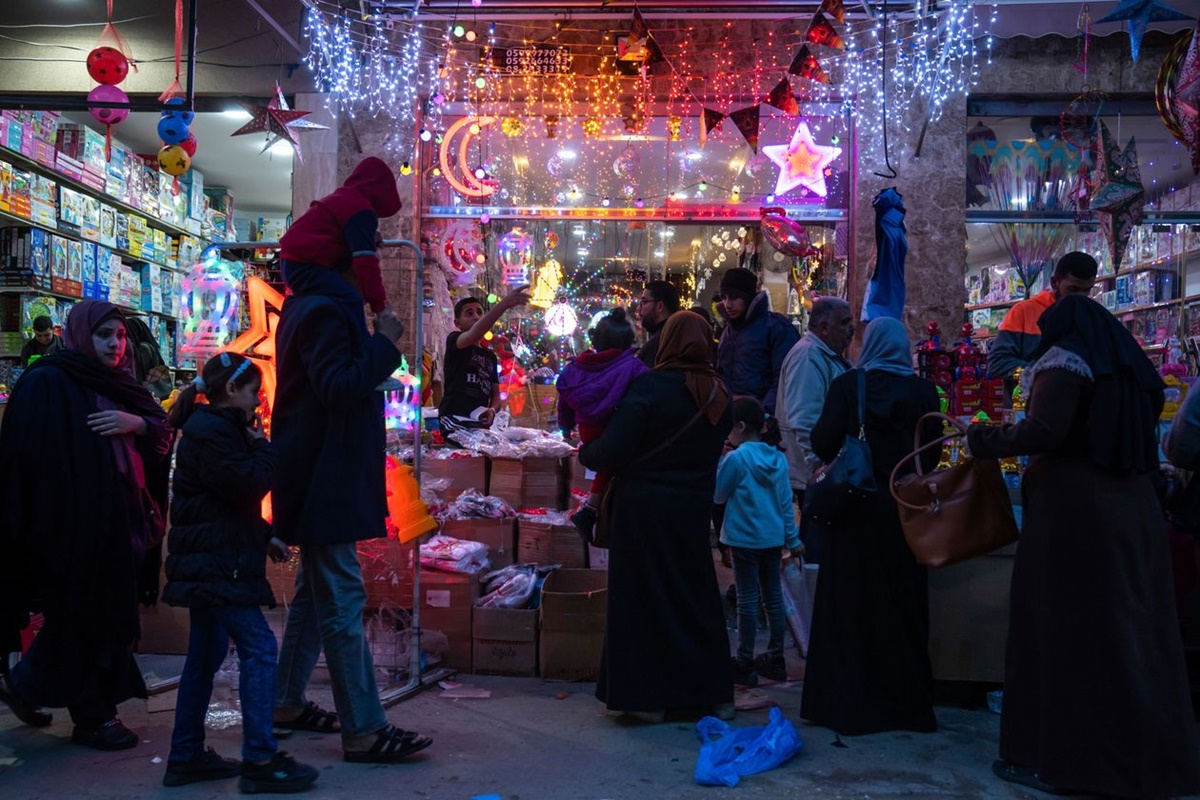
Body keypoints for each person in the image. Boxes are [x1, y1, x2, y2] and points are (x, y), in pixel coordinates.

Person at [967, 295, 1200, 798]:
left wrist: (982, 438)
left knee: (1067, 633)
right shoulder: (1128, 371)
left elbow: (1046, 430)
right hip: (1131, 512)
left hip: (1076, 519)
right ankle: (1145, 758)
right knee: (1129, 631)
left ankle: (1071, 761)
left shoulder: (1064, 366)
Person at [271, 157, 432, 764]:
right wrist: (385, 344)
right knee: (340, 603)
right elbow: (338, 386)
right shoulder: (323, 308)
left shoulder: (317, 305)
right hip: (323, 477)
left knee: (319, 597)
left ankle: (286, 701)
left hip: (320, 472)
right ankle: (363, 728)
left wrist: (374, 367)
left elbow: (332, 385)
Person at [0, 300, 171, 750]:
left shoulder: (121, 383)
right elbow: (25, 455)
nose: (115, 345)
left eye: (119, 336)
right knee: (86, 615)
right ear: (79, 334)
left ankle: (26, 685)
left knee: (101, 613)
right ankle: (93, 715)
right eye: (104, 336)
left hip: (120, 522)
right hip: (70, 524)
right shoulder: (49, 381)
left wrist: (137, 424)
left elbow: (161, 433)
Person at [161, 353, 319, 793]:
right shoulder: (215, 431)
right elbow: (246, 484)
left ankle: (186, 754)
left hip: (215, 556)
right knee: (259, 646)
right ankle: (260, 758)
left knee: (206, 654)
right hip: (220, 563)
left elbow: (223, 501)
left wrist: (262, 533)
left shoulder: (210, 428)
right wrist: (265, 448)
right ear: (232, 390)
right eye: (254, 393)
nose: (257, 403)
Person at [580, 311, 733, 723]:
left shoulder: (649, 388)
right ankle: (707, 692)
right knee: (694, 597)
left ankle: (645, 696)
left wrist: (587, 452)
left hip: (643, 510)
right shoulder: (719, 394)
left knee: (642, 601)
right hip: (692, 510)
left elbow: (613, 449)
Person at [801, 317, 941, 736]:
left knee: (850, 604)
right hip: (903, 510)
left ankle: (848, 705)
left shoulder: (850, 385)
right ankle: (904, 705)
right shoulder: (923, 391)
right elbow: (930, 454)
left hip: (855, 510)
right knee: (902, 604)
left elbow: (823, 442)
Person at [714, 396, 803, 688]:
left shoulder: (736, 459)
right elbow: (784, 502)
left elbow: (719, 496)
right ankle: (775, 658)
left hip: (743, 540)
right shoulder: (777, 458)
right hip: (772, 539)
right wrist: (792, 539)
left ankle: (744, 660)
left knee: (748, 602)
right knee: (773, 599)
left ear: (739, 426)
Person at [556, 308, 649, 538]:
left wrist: (566, 427)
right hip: (617, 427)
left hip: (588, 429)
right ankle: (591, 510)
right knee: (612, 469)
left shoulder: (575, 368)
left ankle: (590, 511)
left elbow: (564, 403)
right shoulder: (631, 367)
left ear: (595, 339)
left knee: (605, 470)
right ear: (628, 341)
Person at [775, 297, 853, 562]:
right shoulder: (808, 357)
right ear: (823, 327)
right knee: (816, 546)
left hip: (823, 468)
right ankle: (810, 598)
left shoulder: (825, 355)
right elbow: (804, 418)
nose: (851, 329)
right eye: (844, 323)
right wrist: (818, 466)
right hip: (815, 471)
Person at [986, 251, 1097, 383]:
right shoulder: (1023, 312)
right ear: (1054, 283)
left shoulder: (1091, 316)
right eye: (1072, 289)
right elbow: (997, 362)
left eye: (1086, 290)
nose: (1080, 297)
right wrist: (1047, 375)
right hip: (1030, 401)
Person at [438, 288, 529, 438]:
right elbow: (474, 334)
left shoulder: (490, 357)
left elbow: (496, 396)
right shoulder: (455, 340)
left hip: (480, 422)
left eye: (480, 312)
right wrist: (504, 304)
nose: (476, 316)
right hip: (454, 419)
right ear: (457, 323)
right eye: (469, 313)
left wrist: (492, 410)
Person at [715, 267, 798, 415]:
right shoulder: (728, 332)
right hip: (731, 419)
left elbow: (784, 377)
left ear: (747, 297)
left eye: (734, 297)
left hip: (764, 420)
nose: (728, 304)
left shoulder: (776, 327)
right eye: (724, 297)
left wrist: (763, 413)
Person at [636, 280, 680, 368]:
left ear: (660, 306)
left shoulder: (659, 343)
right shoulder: (677, 333)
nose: (638, 308)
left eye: (644, 302)